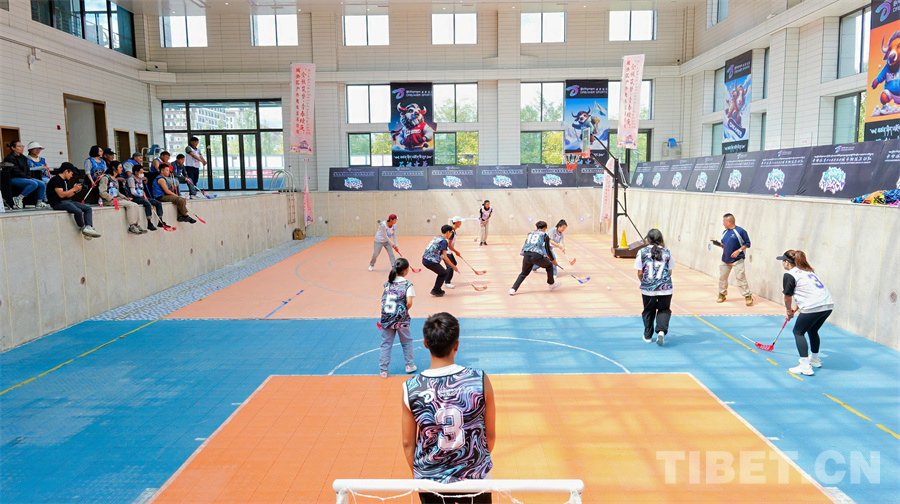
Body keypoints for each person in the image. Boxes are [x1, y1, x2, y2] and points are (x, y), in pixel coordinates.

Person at [401, 312, 495, 504]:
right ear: (456, 345)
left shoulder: (412, 387)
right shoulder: (479, 379)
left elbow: (407, 443)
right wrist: (471, 464)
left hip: (431, 481)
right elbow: (490, 435)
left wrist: (423, 475)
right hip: (475, 477)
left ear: (425, 343)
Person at [778, 250, 834, 376]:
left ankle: (805, 366)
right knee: (812, 330)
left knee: (798, 332)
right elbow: (809, 292)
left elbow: (787, 297)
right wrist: (795, 309)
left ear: (787, 263)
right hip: (828, 305)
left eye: (783, 261)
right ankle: (814, 359)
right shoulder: (808, 272)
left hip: (813, 306)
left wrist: (788, 311)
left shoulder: (790, 275)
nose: (782, 263)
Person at [635, 229, 675, 346]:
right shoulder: (667, 252)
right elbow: (670, 272)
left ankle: (648, 336)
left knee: (648, 311)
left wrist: (645, 283)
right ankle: (661, 331)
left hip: (648, 289)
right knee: (664, 310)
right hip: (665, 288)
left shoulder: (642, 252)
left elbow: (640, 273)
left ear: (648, 239)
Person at [378, 258, 417, 379]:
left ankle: (383, 370)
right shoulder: (407, 285)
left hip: (387, 317)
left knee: (386, 344)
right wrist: (404, 311)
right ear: (406, 270)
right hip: (401, 318)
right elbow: (409, 303)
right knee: (407, 342)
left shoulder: (387, 284)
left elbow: (383, 300)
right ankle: (409, 365)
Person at [47, 163, 101, 240]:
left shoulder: (66, 181)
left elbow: (67, 195)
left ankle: (88, 227)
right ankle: (83, 228)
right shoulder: (56, 180)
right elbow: (61, 195)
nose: (72, 176)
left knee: (88, 209)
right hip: (58, 203)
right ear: (66, 171)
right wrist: (73, 189)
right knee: (78, 211)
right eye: (71, 174)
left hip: (67, 201)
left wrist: (75, 191)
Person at [710, 213, 753, 306]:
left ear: (729, 222)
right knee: (722, 278)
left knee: (740, 277)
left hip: (738, 260)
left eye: (724, 221)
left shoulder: (740, 231)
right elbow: (724, 244)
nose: (723, 223)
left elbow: (747, 243)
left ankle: (747, 296)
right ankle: (722, 294)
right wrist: (719, 244)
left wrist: (738, 251)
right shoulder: (725, 232)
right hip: (725, 259)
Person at [509, 221, 561, 296]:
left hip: (527, 255)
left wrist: (543, 256)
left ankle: (513, 289)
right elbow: (548, 249)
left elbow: (526, 245)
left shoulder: (530, 233)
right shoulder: (544, 235)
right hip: (536, 256)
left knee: (523, 273)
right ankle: (551, 284)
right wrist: (553, 260)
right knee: (549, 265)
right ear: (545, 228)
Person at [99, 165, 145, 234]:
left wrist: (125, 197)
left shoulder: (115, 179)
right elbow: (102, 192)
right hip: (108, 200)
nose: (122, 169)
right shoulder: (105, 178)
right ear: (114, 168)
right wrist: (113, 198)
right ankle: (131, 226)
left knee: (135, 204)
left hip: (116, 199)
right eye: (120, 167)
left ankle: (136, 224)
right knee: (130, 205)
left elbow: (117, 192)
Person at [4, 141, 49, 209]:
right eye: (19, 146)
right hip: (14, 178)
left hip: (25, 177)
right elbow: (15, 171)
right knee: (33, 183)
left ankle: (39, 202)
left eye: (22, 146)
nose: (22, 148)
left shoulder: (24, 158)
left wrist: (28, 177)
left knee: (41, 183)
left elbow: (27, 169)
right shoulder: (10, 158)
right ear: (13, 148)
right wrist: (26, 177)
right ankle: (19, 198)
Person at [422, 225, 460, 297]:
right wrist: (453, 266)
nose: (451, 234)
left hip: (425, 259)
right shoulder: (444, 241)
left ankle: (438, 289)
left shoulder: (437, 237)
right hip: (430, 261)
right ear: (448, 232)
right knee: (444, 273)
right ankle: (435, 290)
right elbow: (445, 257)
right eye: (451, 232)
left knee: (442, 273)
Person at [127, 166, 166, 231]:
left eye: (143, 172)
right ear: (136, 172)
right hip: (133, 197)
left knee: (158, 203)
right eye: (141, 172)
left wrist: (144, 196)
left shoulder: (140, 179)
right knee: (147, 203)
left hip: (142, 196)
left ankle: (160, 220)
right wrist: (142, 196)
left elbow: (142, 190)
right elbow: (133, 192)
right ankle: (149, 222)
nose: (142, 174)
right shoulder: (131, 179)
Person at [444, 216, 464, 289]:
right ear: (457, 222)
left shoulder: (453, 231)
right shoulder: (451, 232)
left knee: (454, 263)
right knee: (451, 266)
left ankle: (444, 275)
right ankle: (447, 283)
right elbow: (449, 245)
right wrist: (456, 252)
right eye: (460, 222)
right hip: (446, 252)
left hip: (449, 251)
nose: (461, 223)